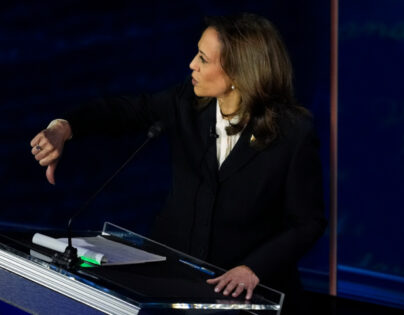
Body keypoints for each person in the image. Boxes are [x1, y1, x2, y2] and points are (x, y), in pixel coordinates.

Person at [30, 13, 326, 314]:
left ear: (238, 72)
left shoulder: (292, 132)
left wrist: (253, 268)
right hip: (170, 285)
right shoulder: (186, 102)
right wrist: (63, 128)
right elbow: (123, 111)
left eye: (203, 58)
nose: (192, 65)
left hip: (245, 296)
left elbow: (307, 222)